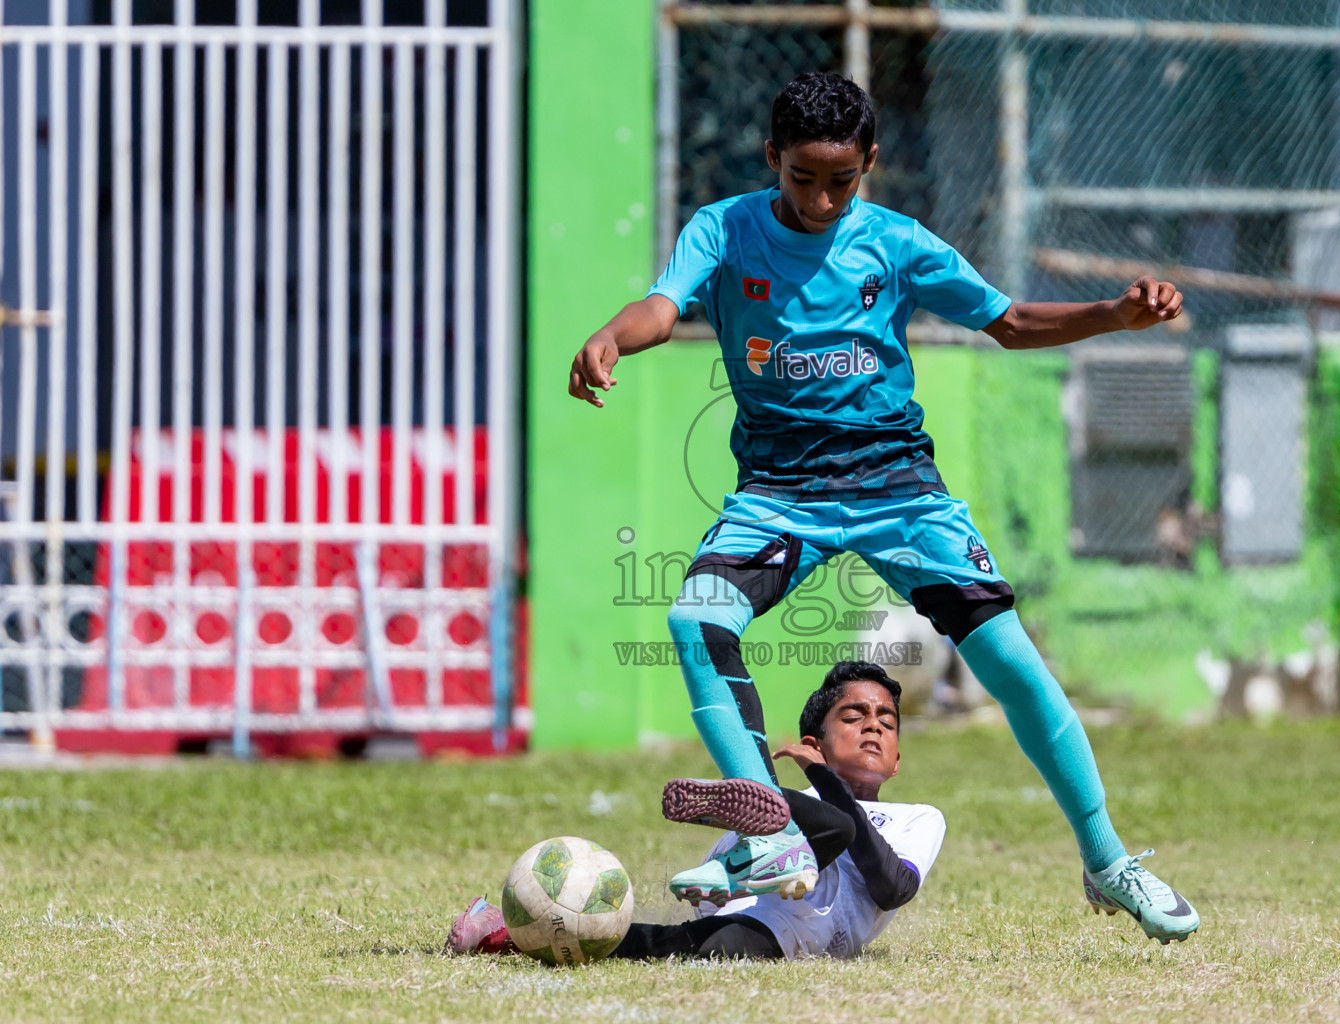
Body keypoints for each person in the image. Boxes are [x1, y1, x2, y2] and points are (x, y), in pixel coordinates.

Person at [567, 72, 1197, 943]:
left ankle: (1109, 862)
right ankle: (776, 833)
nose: (822, 198)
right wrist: (610, 336)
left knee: (1012, 661)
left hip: (899, 488)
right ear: (771, 161)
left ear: (869, 162)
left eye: (842, 180)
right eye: (802, 178)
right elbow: (661, 307)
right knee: (692, 620)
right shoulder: (724, 229)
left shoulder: (895, 243)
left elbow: (1008, 321)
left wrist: (1114, 314)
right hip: (780, 495)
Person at [446, 661, 945, 960]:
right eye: (854, 717)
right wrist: (823, 786)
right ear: (814, 742)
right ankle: (509, 931)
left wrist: (824, 780)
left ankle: (765, 859)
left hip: (806, 934)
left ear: (898, 759)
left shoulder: (920, 817)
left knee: (831, 825)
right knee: (686, 941)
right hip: (765, 911)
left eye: (887, 722)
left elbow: (891, 887)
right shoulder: (797, 805)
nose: (873, 728)